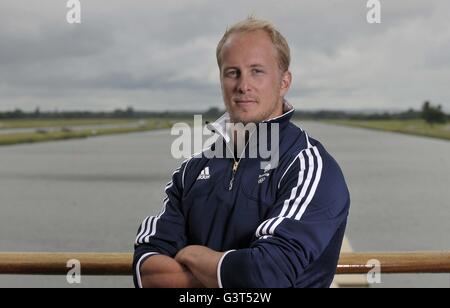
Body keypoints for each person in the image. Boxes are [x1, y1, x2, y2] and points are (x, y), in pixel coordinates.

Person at [133, 17, 350, 288]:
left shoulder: (308, 165)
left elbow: (266, 276)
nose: (243, 85)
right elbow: (146, 270)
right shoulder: (191, 170)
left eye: (257, 71)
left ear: (284, 82)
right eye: (232, 72)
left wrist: (192, 256)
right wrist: (228, 276)